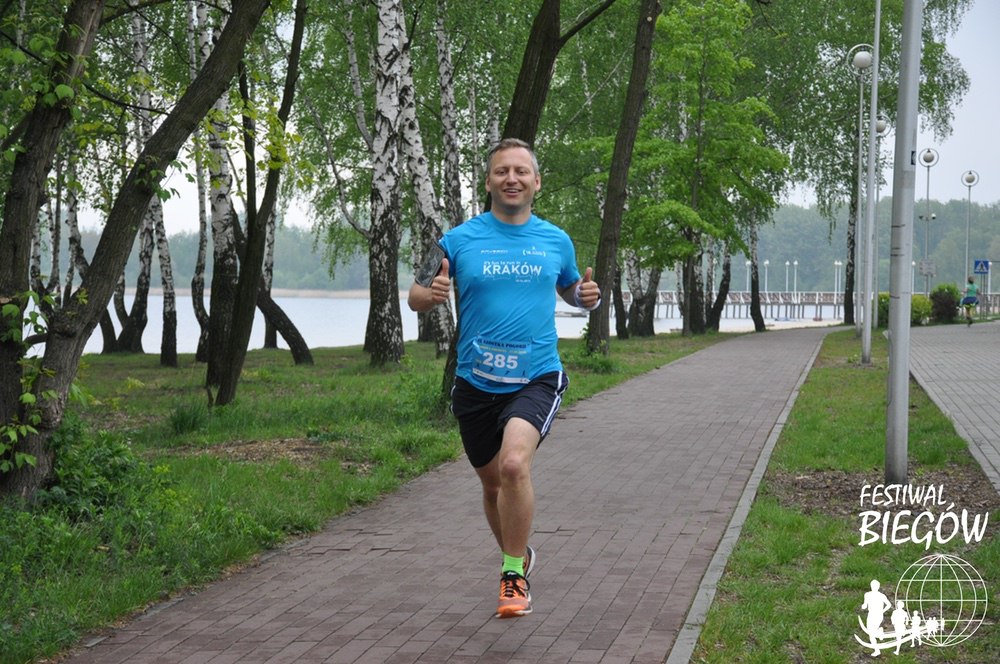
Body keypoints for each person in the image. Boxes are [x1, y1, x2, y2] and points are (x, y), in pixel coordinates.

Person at [407, 138, 600, 618]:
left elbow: (569, 287)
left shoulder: (556, 240)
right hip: (475, 382)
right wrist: (431, 294)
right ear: (489, 182)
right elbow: (414, 294)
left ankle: (512, 575)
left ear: (536, 182)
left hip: (537, 376)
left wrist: (584, 295)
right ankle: (520, 554)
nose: (511, 179)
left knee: (514, 465)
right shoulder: (456, 240)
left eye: (520, 171)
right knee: (493, 485)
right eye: (501, 171)